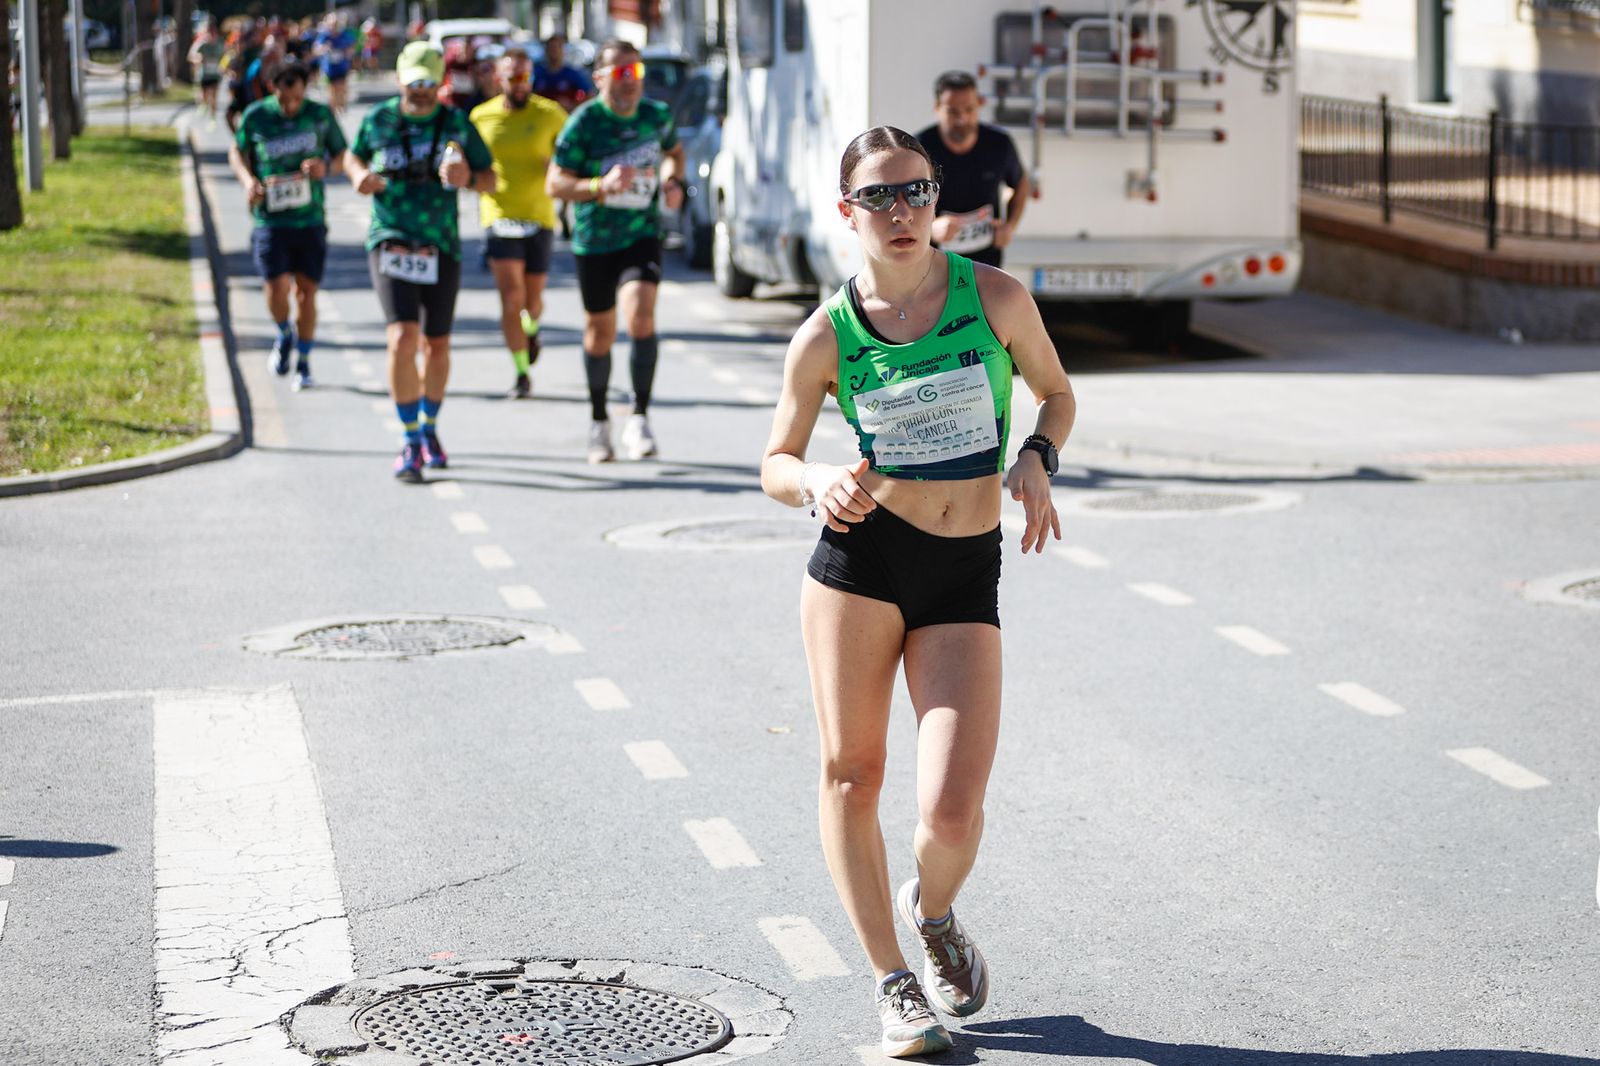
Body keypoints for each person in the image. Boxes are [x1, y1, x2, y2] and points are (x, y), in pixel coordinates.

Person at [758, 126, 1075, 1059]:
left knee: (951, 813)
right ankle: (895, 982)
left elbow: (1056, 394)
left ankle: (932, 913)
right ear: (845, 211)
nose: (899, 214)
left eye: (916, 193)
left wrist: (1036, 458)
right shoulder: (825, 334)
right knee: (853, 773)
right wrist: (814, 482)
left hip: (964, 567)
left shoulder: (997, 299)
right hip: (860, 563)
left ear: (938, 202)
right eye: (879, 197)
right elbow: (774, 459)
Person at [345, 41, 495, 483]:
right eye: (415, 82)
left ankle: (429, 427)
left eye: (431, 82)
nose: (423, 90)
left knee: (438, 345)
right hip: (390, 237)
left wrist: (469, 179)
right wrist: (359, 176)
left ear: (441, 84)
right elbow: (352, 155)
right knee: (401, 337)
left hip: (440, 243)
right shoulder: (379, 120)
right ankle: (409, 439)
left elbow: (491, 178)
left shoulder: (455, 124)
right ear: (400, 80)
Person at [546, 39, 684, 463]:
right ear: (601, 78)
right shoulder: (585, 123)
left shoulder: (655, 116)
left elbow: (674, 154)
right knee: (599, 332)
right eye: (622, 74)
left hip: (641, 234)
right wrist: (597, 187)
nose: (631, 83)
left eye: (637, 73)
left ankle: (639, 416)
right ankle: (599, 421)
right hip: (595, 240)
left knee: (641, 315)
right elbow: (555, 183)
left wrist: (672, 181)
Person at [229, 59, 347, 391]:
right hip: (270, 219)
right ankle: (284, 333)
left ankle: (305, 362)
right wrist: (247, 181)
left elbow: (342, 157)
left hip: (310, 218)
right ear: (273, 88)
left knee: (307, 293)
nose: (291, 105)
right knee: (276, 289)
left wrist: (326, 166)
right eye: (285, 99)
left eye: (297, 97)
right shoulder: (256, 116)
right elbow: (236, 152)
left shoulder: (320, 115)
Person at [470, 48, 568, 399]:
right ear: (498, 79)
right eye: (513, 77)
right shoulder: (481, 117)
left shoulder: (550, 114)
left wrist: (556, 168)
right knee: (511, 298)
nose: (521, 84)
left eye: (526, 77)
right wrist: (474, 178)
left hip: (539, 216)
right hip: (499, 215)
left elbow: (570, 156)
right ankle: (522, 371)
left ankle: (533, 327)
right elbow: (469, 164)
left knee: (533, 299)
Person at [915, 70, 1030, 269]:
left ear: (979, 105)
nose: (962, 119)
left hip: (986, 264)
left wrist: (1009, 226)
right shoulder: (920, 147)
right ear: (937, 108)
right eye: (953, 111)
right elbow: (904, 199)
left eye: (969, 109)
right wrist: (930, 229)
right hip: (933, 263)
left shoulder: (999, 144)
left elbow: (1021, 183)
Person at [531, 33, 594, 112]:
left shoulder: (572, 74)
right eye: (551, 49)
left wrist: (573, 106)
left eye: (557, 48)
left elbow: (590, 95)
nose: (554, 52)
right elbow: (529, 94)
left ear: (563, 51)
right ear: (546, 51)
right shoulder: (538, 74)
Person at [314, 15, 357, 113]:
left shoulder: (344, 35)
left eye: (336, 24)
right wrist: (323, 48)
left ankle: (342, 103)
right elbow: (316, 49)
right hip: (330, 68)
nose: (334, 27)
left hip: (342, 66)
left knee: (342, 87)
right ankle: (333, 110)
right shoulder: (324, 36)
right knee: (332, 89)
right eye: (332, 25)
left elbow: (353, 45)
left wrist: (349, 51)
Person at [188, 21, 225, 127]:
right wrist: (198, 59)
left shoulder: (220, 43)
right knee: (204, 97)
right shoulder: (202, 43)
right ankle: (204, 105)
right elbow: (190, 56)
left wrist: (224, 65)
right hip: (204, 75)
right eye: (210, 32)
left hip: (215, 74)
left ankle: (213, 119)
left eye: (214, 32)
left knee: (214, 97)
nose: (212, 35)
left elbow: (225, 55)